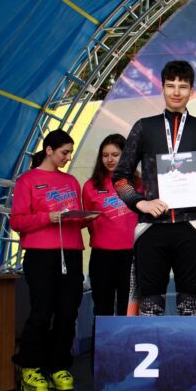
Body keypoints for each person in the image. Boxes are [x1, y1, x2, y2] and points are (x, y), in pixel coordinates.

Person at [113, 60, 196, 391]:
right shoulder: (144, 127)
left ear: (191, 90)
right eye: (170, 85)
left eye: (183, 86)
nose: (176, 92)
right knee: (151, 309)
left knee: (191, 310)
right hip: (152, 229)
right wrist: (140, 202)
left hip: (192, 229)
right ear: (161, 87)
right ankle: (149, 389)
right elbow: (120, 177)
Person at [10, 129, 88, 391]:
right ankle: (30, 367)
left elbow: (73, 218)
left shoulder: (71, 181)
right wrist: (47, 217)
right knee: (42, 311)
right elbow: (17, 221)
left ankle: (59, 365)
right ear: (49, 150)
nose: (68, 157)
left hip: (71, 252)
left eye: (70, 153)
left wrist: (84, 218)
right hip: (40, 254)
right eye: (64, 152)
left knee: (68, 312)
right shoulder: (27, 180)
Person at [82, 134, 138, 317]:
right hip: (102, 256)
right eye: (105, 155)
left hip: (132, 255)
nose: (109, 159)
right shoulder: (91, 186)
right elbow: (86, 219)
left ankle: (127, 337)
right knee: (102, 308)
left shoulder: (139, 184)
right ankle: (100, 338)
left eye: (115, 154)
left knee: (127, 308)